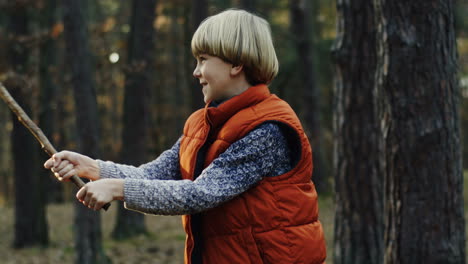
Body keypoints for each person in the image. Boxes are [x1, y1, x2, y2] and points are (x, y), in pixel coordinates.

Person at [44, 9, 326, 264]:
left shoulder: (269, 129)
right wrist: (93, 168)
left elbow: (201, 193)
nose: (196, 71)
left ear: (236, 64)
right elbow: (154, 174)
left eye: (203, 60)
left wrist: (117, 189)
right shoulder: (202, 124)